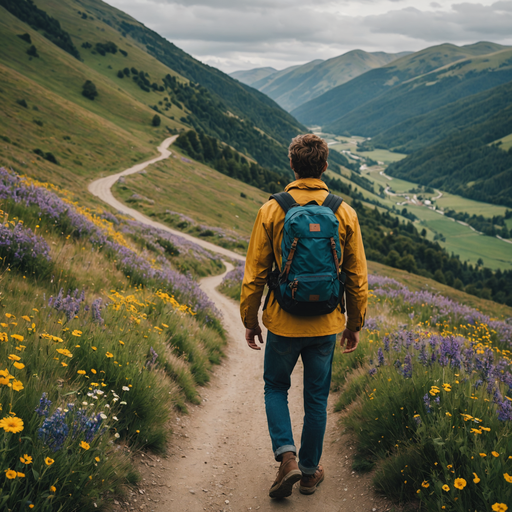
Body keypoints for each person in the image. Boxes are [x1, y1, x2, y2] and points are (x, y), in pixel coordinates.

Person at [240, 133, 368, 499]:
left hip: (283, 320)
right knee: (316, 398)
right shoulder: (344, 211)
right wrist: (354, 324)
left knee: (276, 387)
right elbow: (356, 277)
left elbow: (255, 274)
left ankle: (287, 458)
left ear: (293, 165)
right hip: (326, 323)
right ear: (324, 166)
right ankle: (310, 473)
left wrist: (251, 320)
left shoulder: (272, 210)